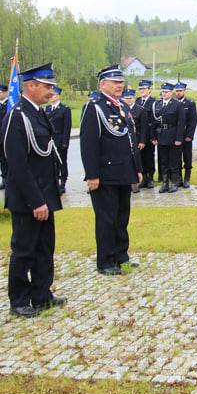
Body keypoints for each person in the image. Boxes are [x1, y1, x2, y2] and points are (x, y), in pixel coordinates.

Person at [2, 62, 65, 318]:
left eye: (51, 86)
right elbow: (17, 165)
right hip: (28, 200)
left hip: (44, 196)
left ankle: (41, 295)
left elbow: (47, 157)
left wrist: (52, 194)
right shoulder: (17, 116)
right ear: (31, 86)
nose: (51, 91)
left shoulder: (38, 113)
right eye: (47, 86)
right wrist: (36, 201)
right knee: (24, 250)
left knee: (44, 248)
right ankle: (19, 299)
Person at [80, 64, 143, 276]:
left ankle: (121, 255)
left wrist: (137, 169)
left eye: (120, 82)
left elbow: (131, 140)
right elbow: (88, 144)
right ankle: (105, 261)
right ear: (103, 84)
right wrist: (92, 175)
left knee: (122, 216)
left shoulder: (122, 107)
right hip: (105, 174)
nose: (119, 85)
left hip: (124, 172)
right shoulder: (95, 107)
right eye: (115, 82)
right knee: (106, 219)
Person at [151, 83, 182, 193]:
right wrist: (153, 137)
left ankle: (174, 182)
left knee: (173, 160)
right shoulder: (158, 105)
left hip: (173, 135)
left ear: (171, 93)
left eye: (166, 92)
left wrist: (179, 138)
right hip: (161, 135)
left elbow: (180, 123)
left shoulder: (177, 105)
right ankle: (165, 183)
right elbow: (153, 122)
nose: (164, 94)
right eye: (163, 92)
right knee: (163, 160)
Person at [45, 86, 72, 194]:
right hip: (50, 141)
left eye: (54, 95)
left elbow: (67, 127)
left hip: (60, 139)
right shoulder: (46, 109)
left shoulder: (64, 109)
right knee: (52, 163)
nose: (52, 97)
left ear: (58, 95)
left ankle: (63, 182)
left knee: (62, 162)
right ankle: (54, 182)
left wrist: (65, 142)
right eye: (50, 95)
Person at [122, 89, 149, 194]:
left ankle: (136, 183)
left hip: (136, 139)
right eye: (126, 98)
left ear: (134, 98)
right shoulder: (121, 109)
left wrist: (142, 141)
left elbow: (144, 127)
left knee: (137, 161)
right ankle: (127, 183)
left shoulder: (140, 110)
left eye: (130, 98)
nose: (128, 100)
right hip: (125, 140)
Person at [172, 81, 197, 188]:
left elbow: (193, 121)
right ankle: (178, 179)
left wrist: (189, 135)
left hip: (186, 136)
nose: (178, 93)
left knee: (187, 158)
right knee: (176, 158)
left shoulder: (190, 104)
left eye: (180, 91)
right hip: (176, 136)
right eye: (177, 91)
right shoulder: (173, 104)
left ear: (184, 91)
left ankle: (187, 179)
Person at [136, 80, 157, 188]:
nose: (142, 91)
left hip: (149, 133)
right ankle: (143, 177)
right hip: (139, 135)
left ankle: (150, 178)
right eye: (140, 89)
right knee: (140, 157)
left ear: (149, 90)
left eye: (144, 89)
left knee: (149, 156)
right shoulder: (137, 101)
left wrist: (153, 136)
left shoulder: (153, 102)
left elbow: (154, 120)